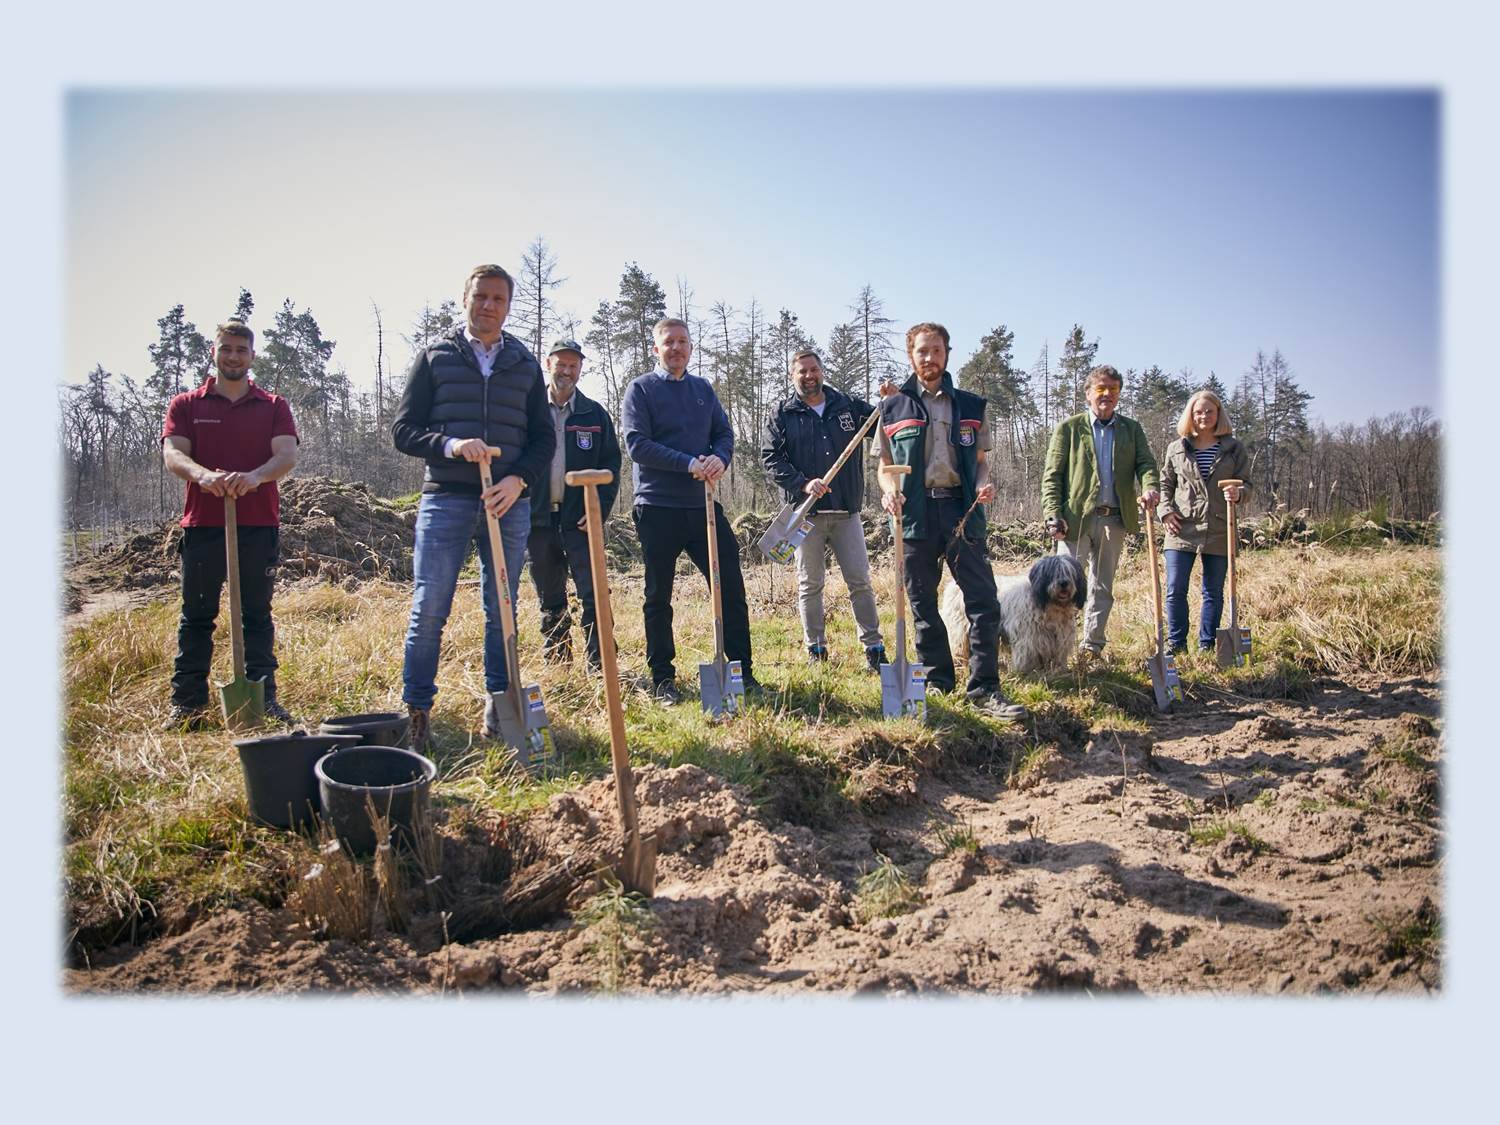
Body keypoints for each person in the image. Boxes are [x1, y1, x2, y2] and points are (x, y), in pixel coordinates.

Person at [392, 264, 554, 751]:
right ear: (465, 299)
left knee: (502, 607)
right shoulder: (436, 356)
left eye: (498, 299)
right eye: (480, 296)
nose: (488, 306)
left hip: (507, 502)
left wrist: (518, 479)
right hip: (446, 497)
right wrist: (451, 445)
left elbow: (543, 438)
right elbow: (404, 430)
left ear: (508, 306)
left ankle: (499, 706)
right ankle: (418, 712)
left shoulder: (524, 364)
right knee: (430, 605)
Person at [875, 322, 1024, 720]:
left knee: (983, 602)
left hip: (963, 514)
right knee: (922, 603)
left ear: (946, 354)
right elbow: (885, 466)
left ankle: (984, 688)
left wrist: (984, 484)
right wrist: (889, 490)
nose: (929, 358)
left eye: (936, 350)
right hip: (914, 515)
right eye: (922, 351)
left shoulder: (972, 406)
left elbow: (980, 463)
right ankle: (938, 682)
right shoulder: (892, 408)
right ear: (911, 356)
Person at [160, 319, 299, 729]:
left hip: (257, 525)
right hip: (203, 525)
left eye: (241, 350)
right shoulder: (186, 405)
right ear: (213, 352)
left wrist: (254, 477)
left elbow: (286, 455)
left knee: (256, 615)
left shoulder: (273, 406)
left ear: (252, 356)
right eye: (226, 349)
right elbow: (174, 454)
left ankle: (264, 698)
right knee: (197, 616)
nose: (233, 356)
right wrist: (204, 477)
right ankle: (186, 705)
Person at [621, 317, 758, 704]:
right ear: (656, 348)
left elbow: (724, 434)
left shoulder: (702, 390)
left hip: (702, 507)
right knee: (658, 595)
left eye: (683, 342)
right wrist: (687, 463)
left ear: (691, 348)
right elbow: (637, 444)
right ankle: (663, 678)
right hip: (657, 506)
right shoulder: (641, 390)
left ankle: (741, 671)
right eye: (669, 342)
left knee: (729, 585)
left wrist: (719, 458)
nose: (676, 348)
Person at [761, 348, 887, 669]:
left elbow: (885, 426)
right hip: (806, 514)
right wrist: (803, 483)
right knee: (810, 585)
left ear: (822, 371)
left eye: (813, 369)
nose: (809, 376)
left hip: (846, 511)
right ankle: (816, 650)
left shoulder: (847, 406)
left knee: (860, 580)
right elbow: (770, 459)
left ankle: (873, 649)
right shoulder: (782, 414)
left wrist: (891, 402)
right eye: (802, 371)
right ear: (793, 376)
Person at [1040, 364, 1161, 664]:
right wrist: (1053, 513)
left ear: (1119, 394)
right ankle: (1057, 649)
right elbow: (1052, 475)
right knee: (1063, 587)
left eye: (1113, 390)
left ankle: (1091, 647)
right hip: (1074, 520)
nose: (1107, 395)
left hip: (1114, 519)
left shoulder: (1131, 430)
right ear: (1088, 394)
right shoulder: (1069, 428)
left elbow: (1146, 464)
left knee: (1102, 586)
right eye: (1101, 389)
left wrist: (1150, 487)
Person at [526, 337, 621, 669]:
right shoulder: (529, 410)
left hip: (580, 520)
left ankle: (602, 665)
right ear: (548, 364)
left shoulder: (594, 414)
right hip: (537, 520)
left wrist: (599, 511)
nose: (566, 371)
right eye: (561, 364)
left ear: (580, 369)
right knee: (550, 597)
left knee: (594, 594)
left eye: (573, 365)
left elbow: (612, 465)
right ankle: (559, 665)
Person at [1156, 389, 1251, 653]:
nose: (1204, 416)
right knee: (1175, 589)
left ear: (1218, 414)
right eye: (1198, 412)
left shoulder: (1233, 448)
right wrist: (1165, 511)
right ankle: (1176, 644)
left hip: (1221, 527)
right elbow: (1165, 483)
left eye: (1209, 411)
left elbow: (1248, 485)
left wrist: (1239, 493)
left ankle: (1207, 645)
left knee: (1213, 592)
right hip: (1181, 528)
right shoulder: (1177, 448)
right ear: (1191, 415)